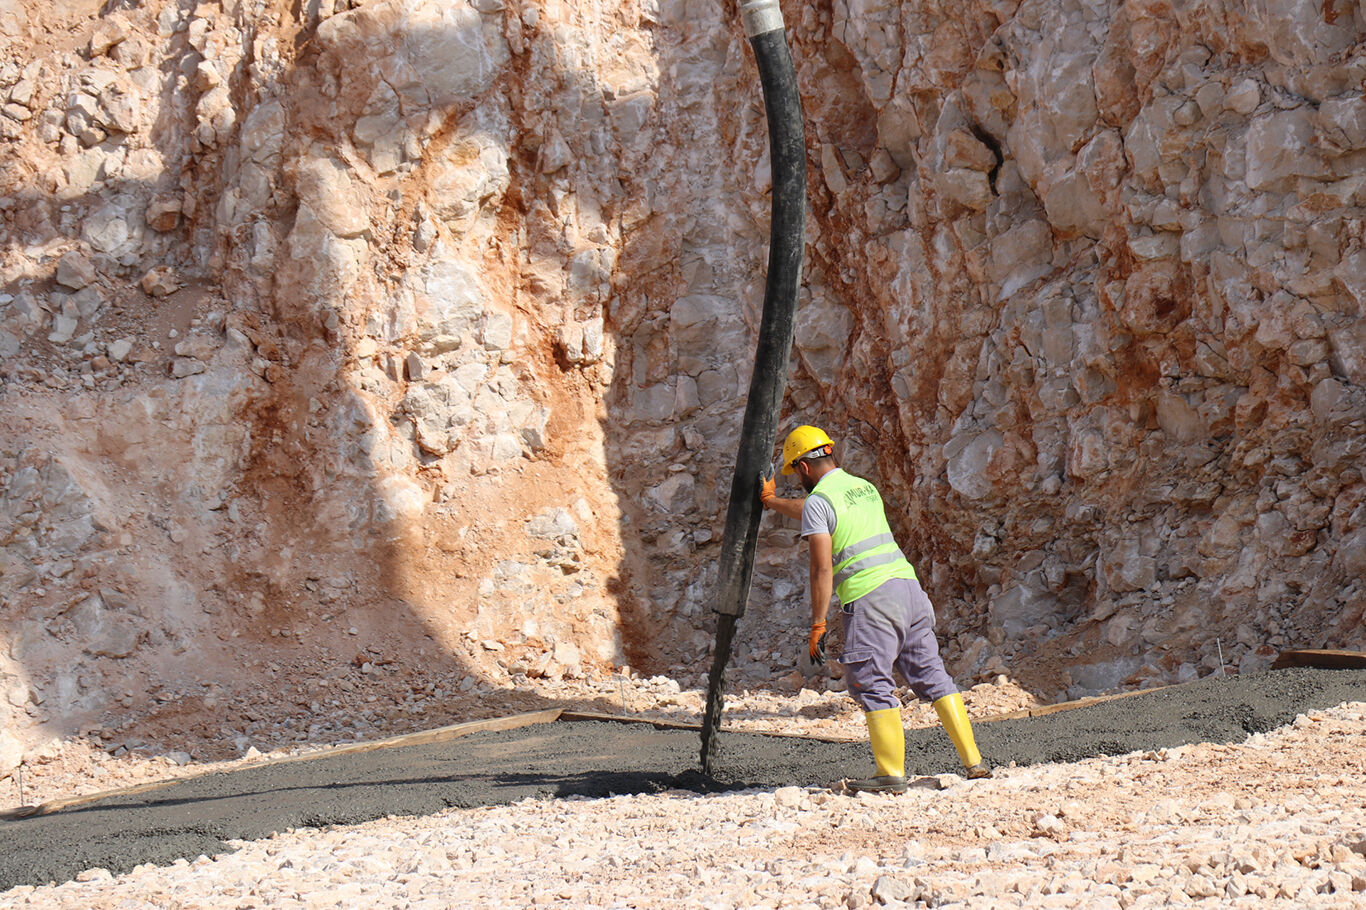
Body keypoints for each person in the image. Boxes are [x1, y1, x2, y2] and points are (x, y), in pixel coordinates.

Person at [759, 424, 990, 793]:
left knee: (870, 681)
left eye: (795, 473)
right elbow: (812, 509)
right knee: (933, 676)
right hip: (909, 590)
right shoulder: (862, 487)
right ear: (829, 452)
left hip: (872, 598)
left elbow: (821, 568)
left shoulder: (820, 502)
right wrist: (771, 502)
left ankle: (890, 774)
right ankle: (974, 762)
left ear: (802, 468)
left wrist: (818, 623)